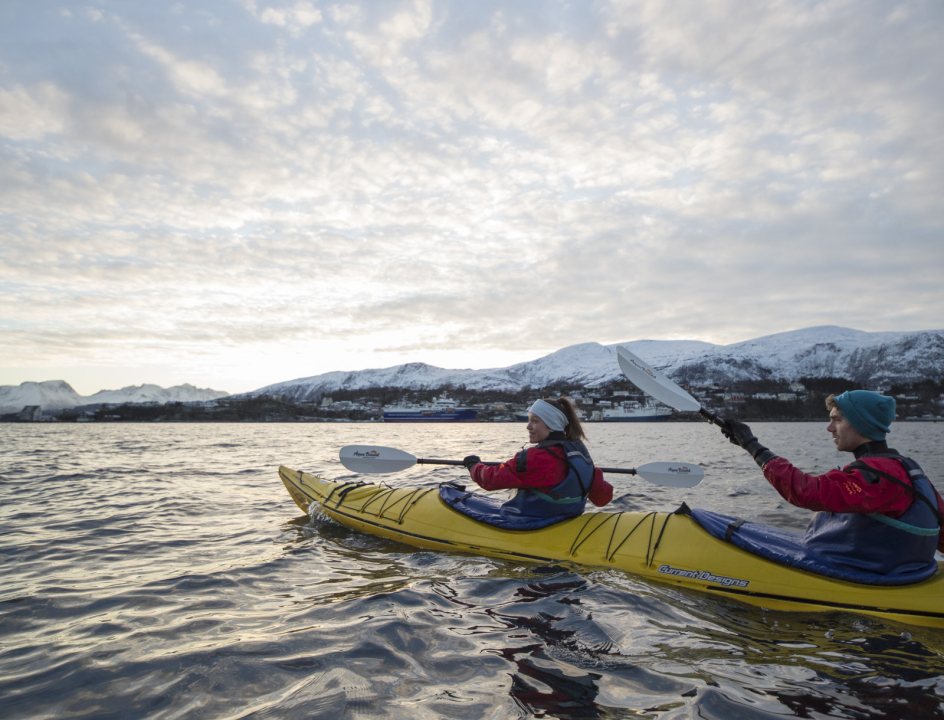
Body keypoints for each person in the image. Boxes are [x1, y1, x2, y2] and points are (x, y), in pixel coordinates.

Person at [722, 389, 944, 575]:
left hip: (868, 574)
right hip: (898, 569)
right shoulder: (907, 466)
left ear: (862, 424)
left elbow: (807, 492)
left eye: (837, 419)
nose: (829, 428)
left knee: (714, 524)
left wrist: (752, 445)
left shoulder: (877, 475)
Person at [461, 397, 614, 520]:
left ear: (551, 424)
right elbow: (603, 498)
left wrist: (474, 465)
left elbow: (490, 480)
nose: (528, 427)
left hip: (532, 524)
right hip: (567, 519)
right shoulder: (578, 450)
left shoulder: (536, 458)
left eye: (534, 421)